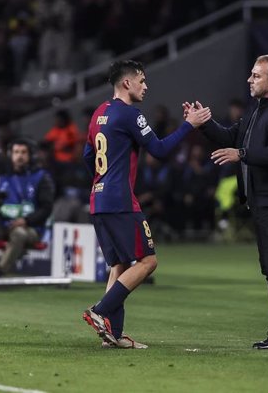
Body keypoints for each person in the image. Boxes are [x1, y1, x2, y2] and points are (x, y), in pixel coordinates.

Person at [82, 60, 210, 349]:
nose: (146, 86)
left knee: (120, 264)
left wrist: (104, 181)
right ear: (126, 83)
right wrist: (189, 125)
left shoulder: (98, 113)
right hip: (121, 200)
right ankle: (100, 312)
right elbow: (160, 150)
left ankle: (112, 335)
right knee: (148, 261)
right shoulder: (130, 115)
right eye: (141, 80)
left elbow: (87, 157)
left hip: (98, 199)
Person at [185, 54, 268, 350]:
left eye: (256, 75)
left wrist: (240, 154)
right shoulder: (260, 110)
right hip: (265, 198)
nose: (249, 80)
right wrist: (204, 124)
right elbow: (230, 136)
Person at [0, 138, 55, 276]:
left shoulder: (41, 177)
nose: (19, 156)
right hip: (4, 224)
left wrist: (26, 221)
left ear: (30, 155)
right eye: (16, 152)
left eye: (23, 152)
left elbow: (46, 208)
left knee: (19, 233)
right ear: (10, 155)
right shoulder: (2, 177)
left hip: (31, 228)